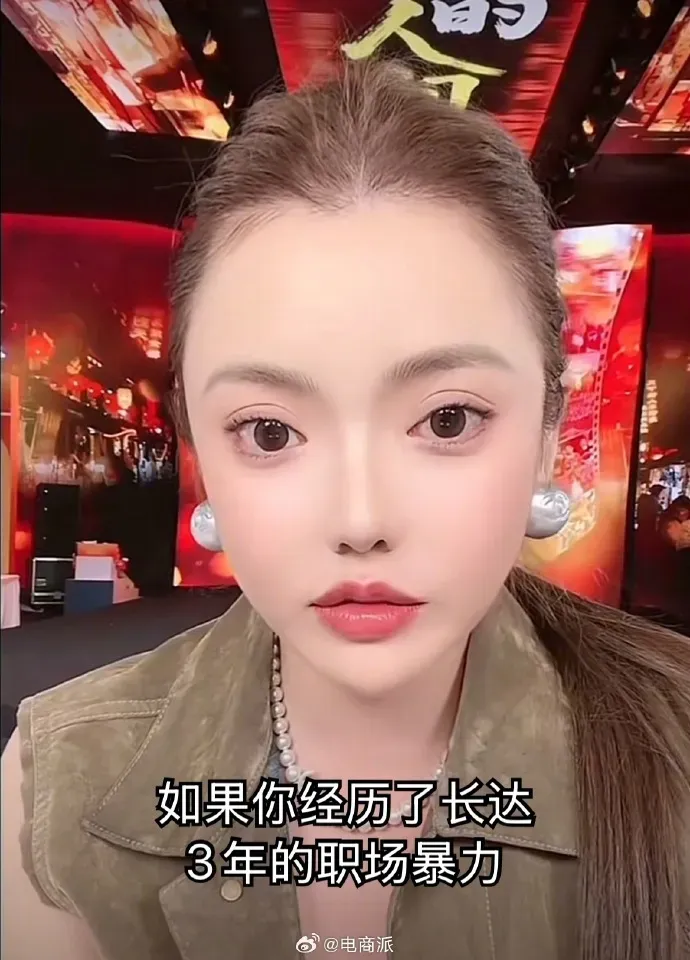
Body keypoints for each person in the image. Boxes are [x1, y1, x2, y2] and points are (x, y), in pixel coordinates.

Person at [2, 61, 689, 960]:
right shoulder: (59, 783)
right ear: (202, 455)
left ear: (547, 432)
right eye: (271, 432)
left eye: (448, 419)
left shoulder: (674, 750)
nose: (360, 520)